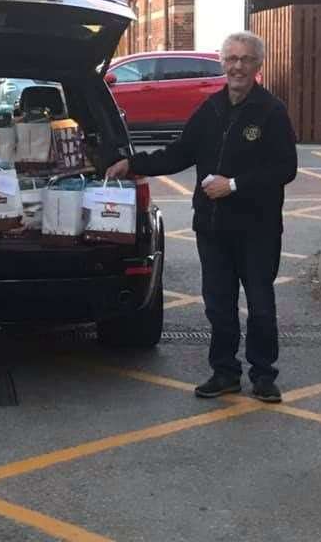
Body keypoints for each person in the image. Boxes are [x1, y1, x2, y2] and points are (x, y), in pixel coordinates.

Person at [107, 31, 297, 403]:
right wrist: (132, 164)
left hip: (257, 230)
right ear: (223, 63)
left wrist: (235, 185)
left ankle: (263, 375)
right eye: (231, 59)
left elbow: (285, 168)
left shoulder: (272, 112)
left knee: (260, 304)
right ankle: (224, 372)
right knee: (218, 304)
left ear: (258, 65)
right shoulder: (210, 109)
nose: (237, 66)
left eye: (245, 59)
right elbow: (179, 152)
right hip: (212, 228)